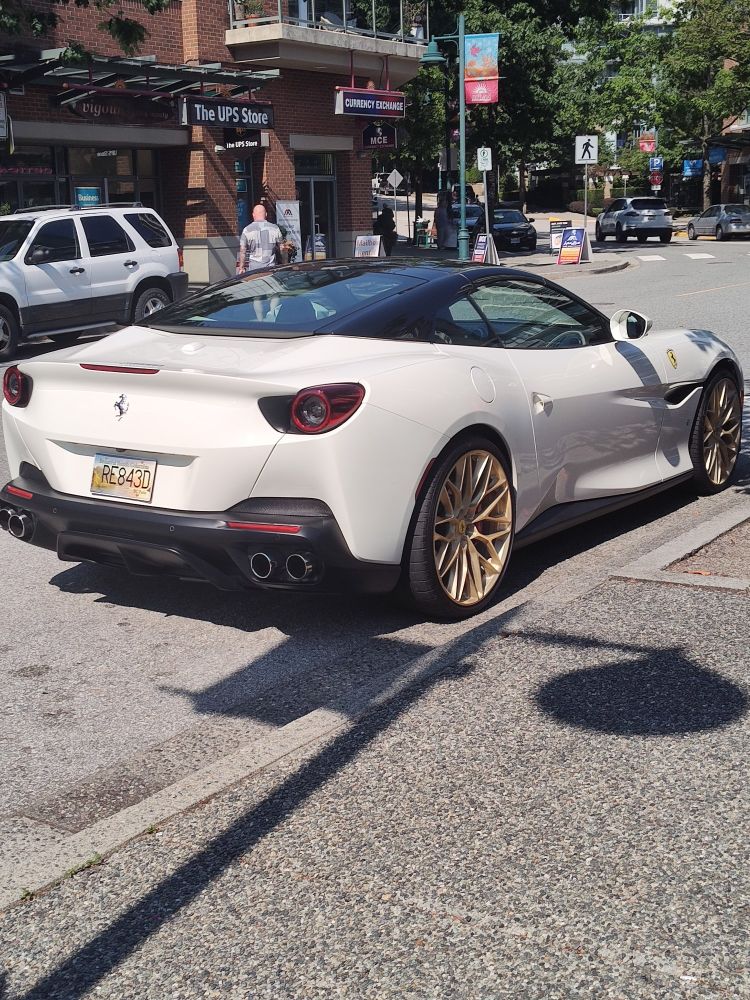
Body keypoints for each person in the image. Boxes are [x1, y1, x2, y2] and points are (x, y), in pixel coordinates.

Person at [236, 204, 283, 274]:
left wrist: (241, 267)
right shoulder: (275, 228)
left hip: (254, 269)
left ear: (253, 215)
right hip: (270, 269)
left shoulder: (247, 230)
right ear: (266, 214)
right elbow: (282, 248)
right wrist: (283, 263)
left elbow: (242, 251)